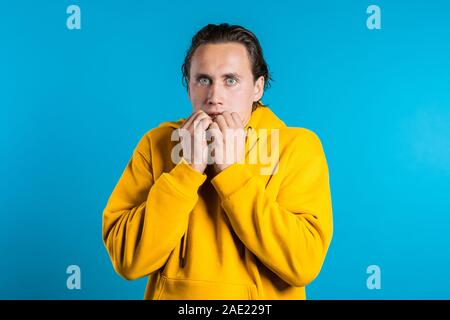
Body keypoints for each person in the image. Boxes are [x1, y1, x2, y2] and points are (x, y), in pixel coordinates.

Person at [102, 23, 333, 300]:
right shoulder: (157, 144)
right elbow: (129, 261)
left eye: (231, 80)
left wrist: (231, 172)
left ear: (257, 87)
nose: (214, 98)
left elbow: (303, 263)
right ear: (189, 86)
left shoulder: (297, 147)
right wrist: (186, 172)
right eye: (203, 80)